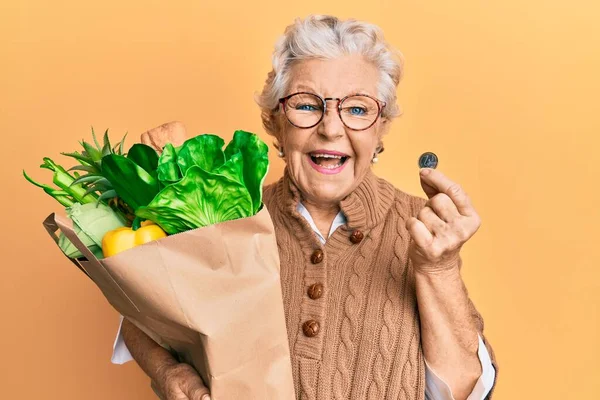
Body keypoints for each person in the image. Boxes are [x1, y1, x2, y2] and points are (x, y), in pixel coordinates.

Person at [114, 14, 498, 400]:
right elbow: (143, 314)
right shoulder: (227, 215)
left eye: (358, 109)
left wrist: (439, 269)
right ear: (276, 122)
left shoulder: (425, 228)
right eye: (307, 105)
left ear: (380, 130)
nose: (331, 128)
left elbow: (465, 389)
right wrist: (167, 373)